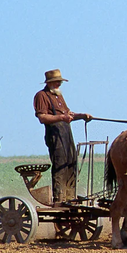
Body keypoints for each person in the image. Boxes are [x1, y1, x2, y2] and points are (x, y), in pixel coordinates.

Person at [33, 69, 91, 205]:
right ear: (49, 83)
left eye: (60, 82)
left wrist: (82, 116)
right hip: (54, 134)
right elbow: (42, 117)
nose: (59, 84)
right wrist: (61, 117)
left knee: (71, 162)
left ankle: (70, 198)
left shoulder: (58, 95)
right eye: (56, 82)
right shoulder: (41, 96)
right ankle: (59, 199)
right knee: (60, 165)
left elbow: (68, 115)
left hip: (66, 133)